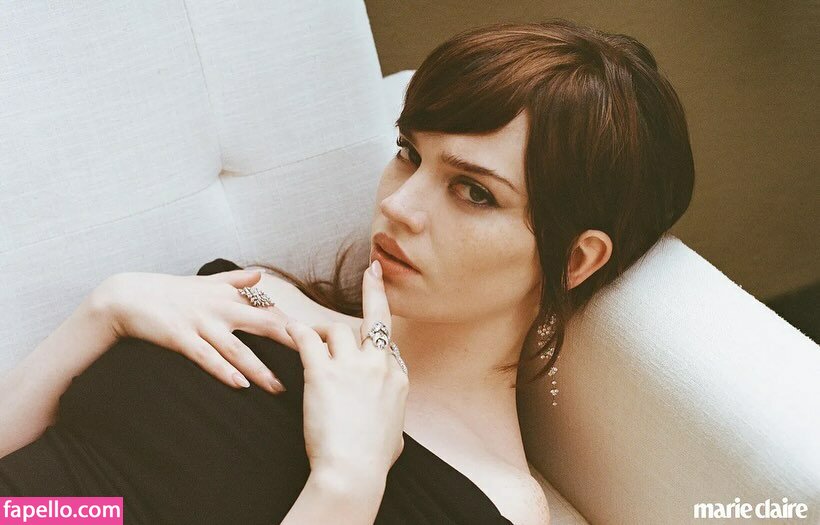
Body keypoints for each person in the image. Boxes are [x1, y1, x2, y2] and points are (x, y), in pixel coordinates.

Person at [0, 18, 694, 525]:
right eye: (409, 154)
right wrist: (106, 310)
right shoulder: (252, 299)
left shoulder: (490, 502)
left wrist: (345, 484)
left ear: (575, 260)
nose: (400, 205)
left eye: (474, 191)